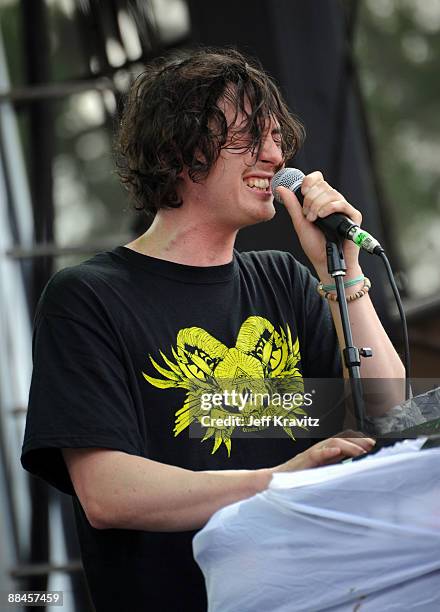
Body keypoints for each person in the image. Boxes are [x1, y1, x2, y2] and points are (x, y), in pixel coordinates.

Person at [21, 47, 404, 611]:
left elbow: (388, 407)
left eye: (277, 139)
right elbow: (107, 492)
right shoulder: (90, 296)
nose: (275, 156)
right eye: (251, 136)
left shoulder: (286, 280)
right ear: (181, 149)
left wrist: (338, 273)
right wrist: (277, 482)